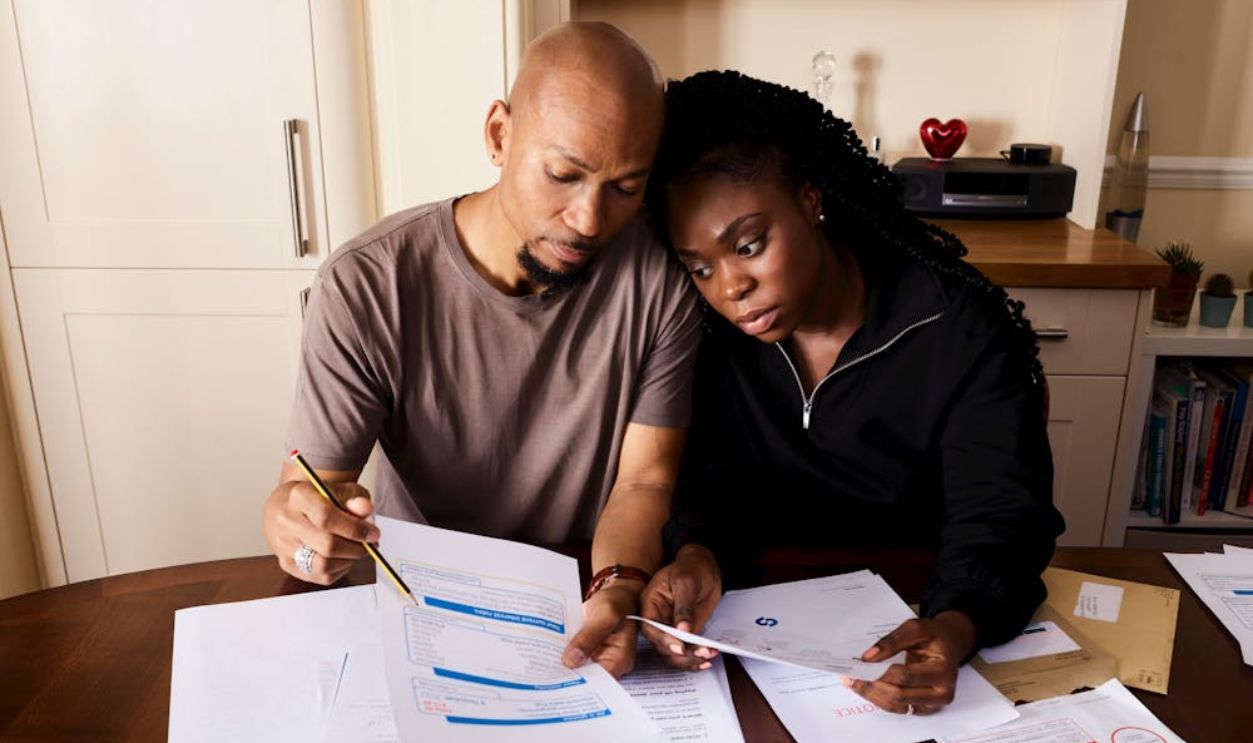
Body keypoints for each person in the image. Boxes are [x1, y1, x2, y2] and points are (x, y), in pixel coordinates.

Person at [261, 22, 701, 678]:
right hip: (421, 607)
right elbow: (310, 489)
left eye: (624, 187)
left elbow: (643, 479)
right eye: (562, 174)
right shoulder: (368, 283)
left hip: (578, 601)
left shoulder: (658, 283)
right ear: (498, 134)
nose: (587, 219)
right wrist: (300, 530)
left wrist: (615, 587)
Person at [636, 70, 1064, 714]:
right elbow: (714, 481)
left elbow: (1000, 517)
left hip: (920, 621)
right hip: (755, 643)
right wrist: (698, 555)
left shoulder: (958, 329)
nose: (729, 287)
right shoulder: (711, 339)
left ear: (811, 200)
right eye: (699, 267)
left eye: (749, 245)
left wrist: (953, 627)